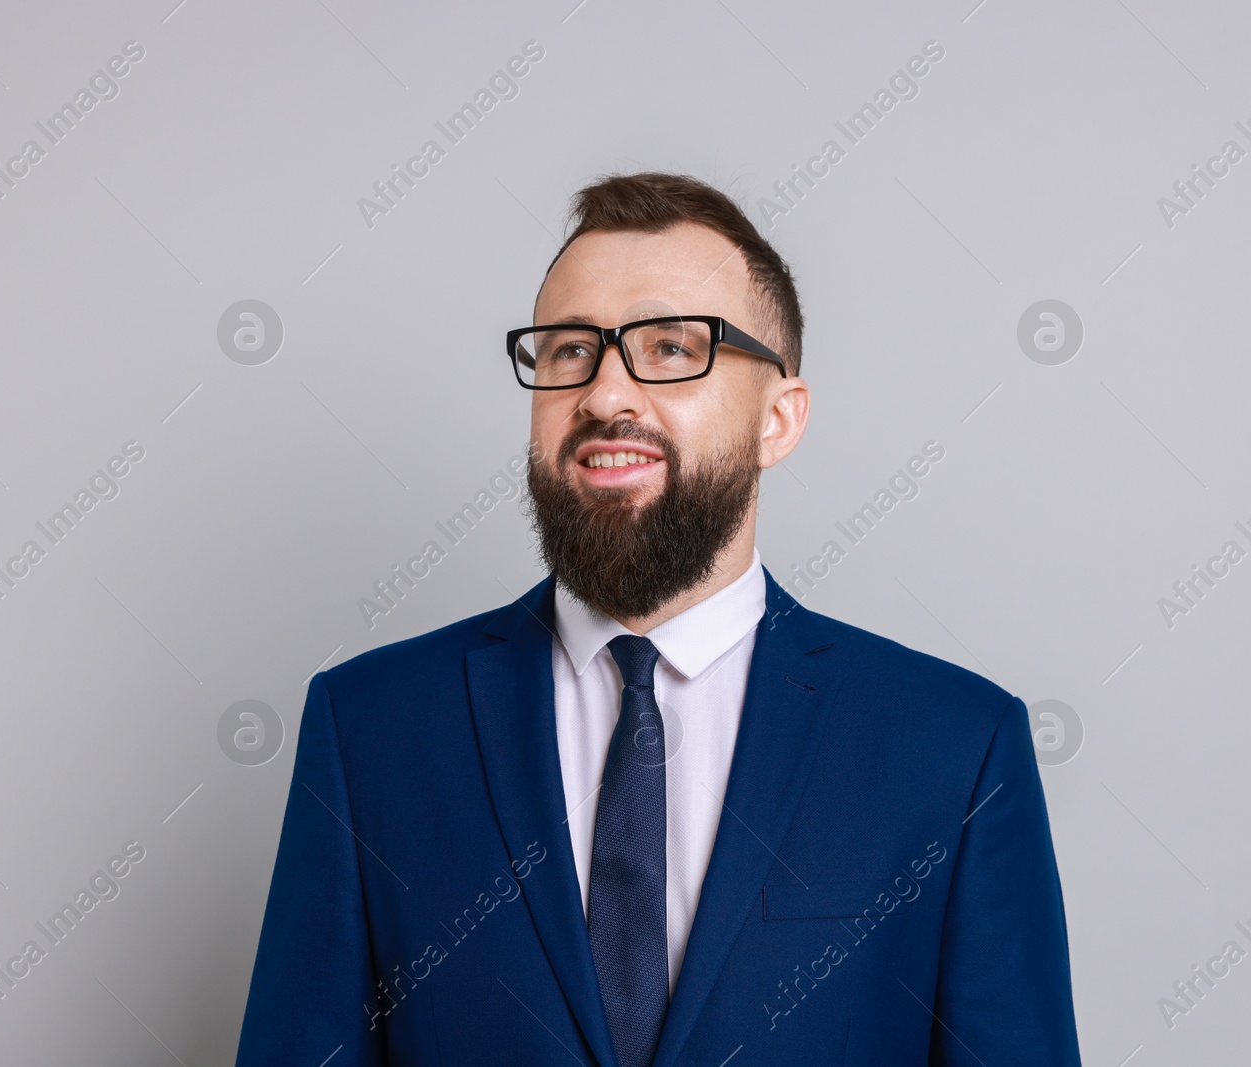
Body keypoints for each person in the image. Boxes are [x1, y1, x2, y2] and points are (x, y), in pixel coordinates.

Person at [235, 172, 1080, 1066]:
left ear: (778, 418)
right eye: (568, 351)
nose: (605, 394)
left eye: (671, 348)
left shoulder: (953, 748)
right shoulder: (371, 726)